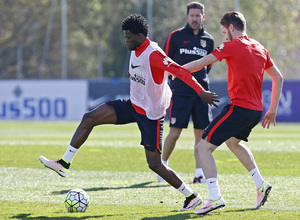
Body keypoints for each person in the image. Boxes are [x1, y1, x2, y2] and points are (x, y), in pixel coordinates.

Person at [39, 13, 219, 211]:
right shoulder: (136, 48)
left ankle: (191, 196)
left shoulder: (154, 53)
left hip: (151, 113)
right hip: (134, 105)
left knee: (154, 164)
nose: (126, 41)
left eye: (128, 37)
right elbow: (137, 71)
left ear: (140, 36)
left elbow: (180, 72)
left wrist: (201, 92)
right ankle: (64, 163)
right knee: (89, 117)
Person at [183, 11, 283, 214]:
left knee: (202, 148)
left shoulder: (231, 46)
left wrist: (171, 69)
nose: (224, 36)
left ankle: (214, 197)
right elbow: (278, 77)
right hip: (256, 111)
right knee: (232, 143)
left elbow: (199, 64)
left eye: (224, 31)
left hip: (240, 108)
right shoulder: (260, 47)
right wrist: (272, 110)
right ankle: (261, 185)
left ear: (231, 28)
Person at [158, 1, 214, 184]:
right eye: (192, 16)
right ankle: (162, 167)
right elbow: (165, 61)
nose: (195, 19)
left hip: (201, 94)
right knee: (175, 132)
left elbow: (208, 67)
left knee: (201, 133)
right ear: (187, 17)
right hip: (180, 92)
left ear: (203, 17)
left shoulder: (209, 40)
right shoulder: (175, 36)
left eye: (198, 16)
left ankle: (199, 173)